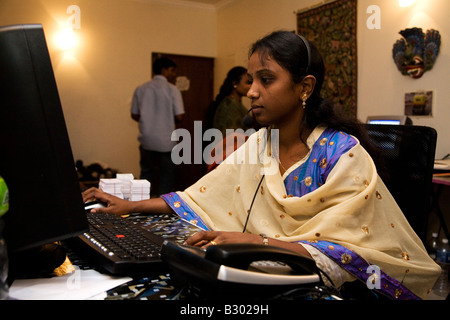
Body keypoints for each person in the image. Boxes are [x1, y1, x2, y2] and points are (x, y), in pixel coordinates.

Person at [84, 31, 440, 300]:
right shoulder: (259, 143)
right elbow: (203, 196)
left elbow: (347, 250)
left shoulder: (341, 154)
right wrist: (130, 207)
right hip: (267, 272)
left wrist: (255, 240)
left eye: (266, 79)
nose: (252, 91)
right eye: (251, 80)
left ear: (305, 87)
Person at [131, 57, 185, 196]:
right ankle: (161, 208)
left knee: (146, 173)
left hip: (147, 139)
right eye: (172, 70)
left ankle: (140, 205)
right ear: (164, 70)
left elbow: (134, 114)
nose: (174, 74)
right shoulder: (172, 90)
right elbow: (179, 116)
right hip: (166, 141)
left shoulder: (141, 88)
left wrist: (149, 120)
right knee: (166, 176)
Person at [205, 66, 251, 136]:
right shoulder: (230, 105)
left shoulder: (235, 103)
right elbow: (233, 136)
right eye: (248, 82)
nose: (250, 86)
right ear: (235, 84)